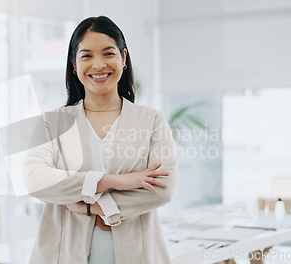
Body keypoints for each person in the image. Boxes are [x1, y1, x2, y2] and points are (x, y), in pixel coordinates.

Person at [23, 16, 178, 264]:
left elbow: (162, 190)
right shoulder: (52, 123)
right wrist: (113, 181)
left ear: (123, 58)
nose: (98, 64)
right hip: (62, 255)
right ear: (74, 64)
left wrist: (90, 207)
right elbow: (35, 181)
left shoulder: (151, 121)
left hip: (138, 255)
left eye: (108, 53)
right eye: (86, 56)